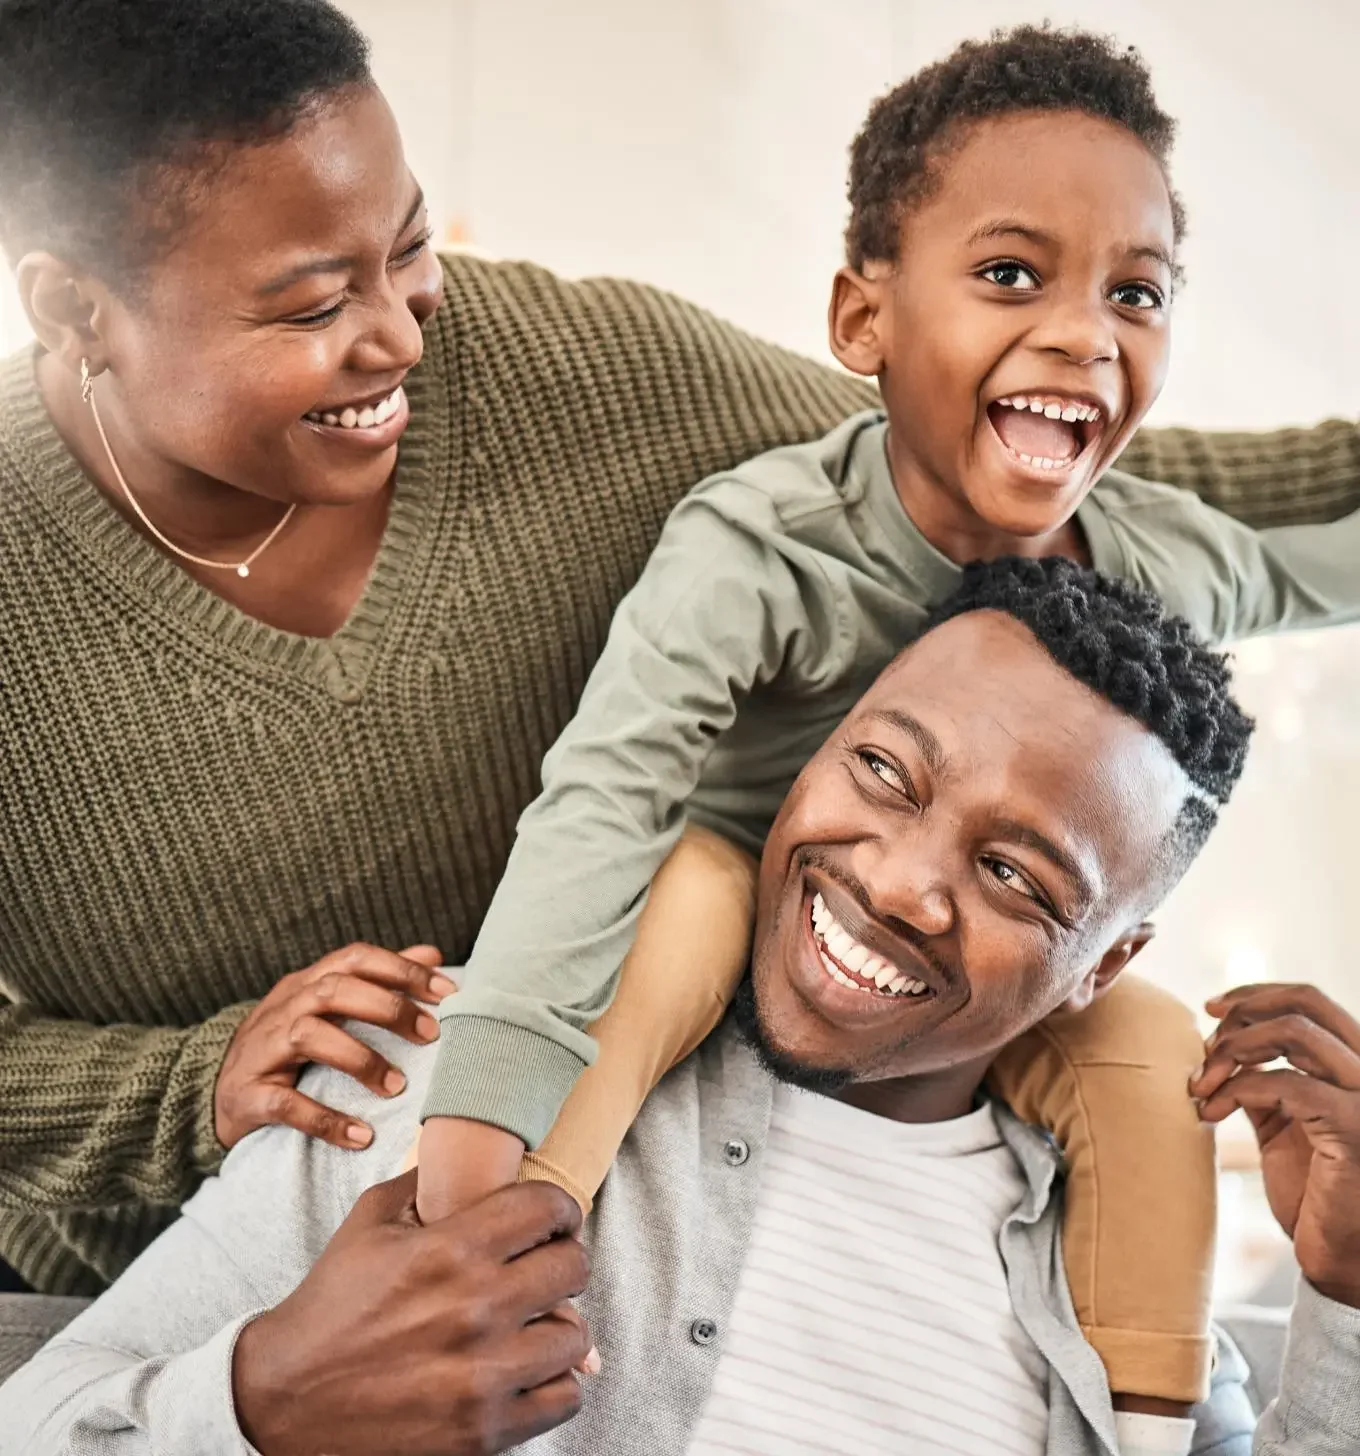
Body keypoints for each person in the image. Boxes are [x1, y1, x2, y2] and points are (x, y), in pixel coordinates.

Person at [0, 1, 1350, 1307]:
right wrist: (189, 1087)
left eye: (407, 249)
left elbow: (991, 452)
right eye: (306, 307)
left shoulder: (585, 377)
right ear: (73, 309)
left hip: (576, 1258)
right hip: (112, 1300)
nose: (403, 332)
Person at [411, 22, 1360, 1426]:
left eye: (1137, 294)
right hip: (745, 902)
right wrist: (480, 1110)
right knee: (676, 893)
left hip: (941, 982)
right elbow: (604, 798)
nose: (1083, 332)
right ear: (866, 321)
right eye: (1010, 274)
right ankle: (481, 1262)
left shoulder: (1158, 555)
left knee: (1158, 1054)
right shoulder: (763, 545)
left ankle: (1151, 1421)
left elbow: (1311, 567)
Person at [8, 559, 1360, 1456]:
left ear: (1106, 969)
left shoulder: (1115, 1267)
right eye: (885, 771)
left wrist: (1346, 1296)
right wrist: (262, 1405)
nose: (901, 884)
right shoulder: (473, 1083)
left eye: (1013, 875)